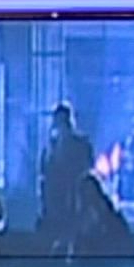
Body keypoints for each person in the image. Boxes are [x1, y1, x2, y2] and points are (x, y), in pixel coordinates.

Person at [38, 103, 95, 242]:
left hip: (75, 196)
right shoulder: (50, 146)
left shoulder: (81, 144)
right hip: (55, 199)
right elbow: (44, 172)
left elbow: (87, 166)